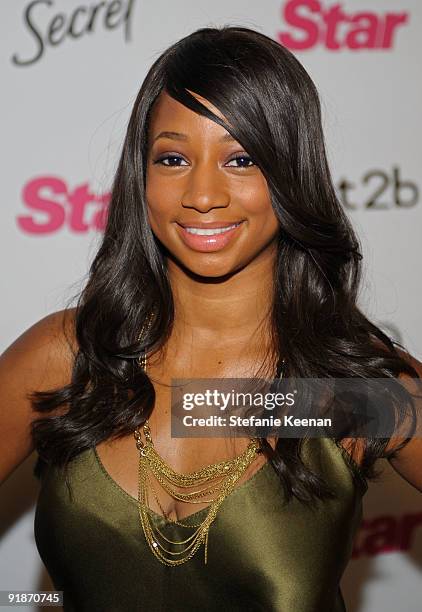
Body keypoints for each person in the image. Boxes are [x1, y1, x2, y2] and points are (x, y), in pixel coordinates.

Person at [1, 25, 421, 612]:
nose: (202, 194)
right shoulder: (67, 355)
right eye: (172, 158)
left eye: (241, 159)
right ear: (140, 174)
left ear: (290, 173)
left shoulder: (350, 388)